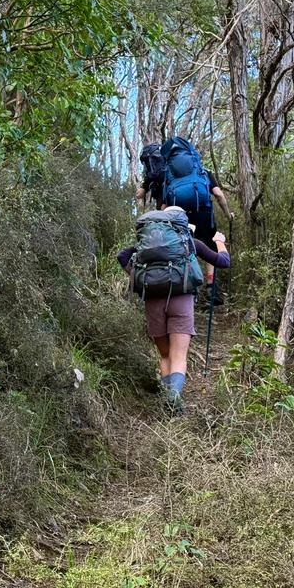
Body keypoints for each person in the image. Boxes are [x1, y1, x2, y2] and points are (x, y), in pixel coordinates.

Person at [118, 206, 230, 410]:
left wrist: (141, 276)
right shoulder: (190, 243)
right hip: (182, 300)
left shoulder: (146, 247)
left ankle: (166, 399)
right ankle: (174, 398)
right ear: (182, 224)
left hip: (152, 300)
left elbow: (122, 256)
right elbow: (223, 261)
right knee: (179, 355)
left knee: (165, 355)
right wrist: (219, 242)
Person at [137, 166, 234, 295]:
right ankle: (211, 288)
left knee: (182, 246)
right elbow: (218, 194)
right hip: (203, 213)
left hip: (178, 217)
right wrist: (228, 215)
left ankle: (187, 283)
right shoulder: (203, 172)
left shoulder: (169, 175)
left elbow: (164, 205)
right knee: (209, 246)